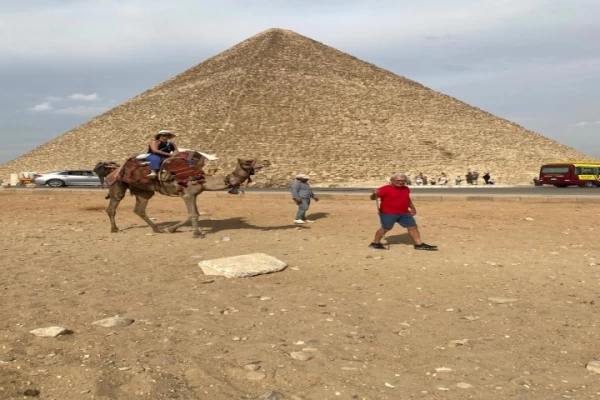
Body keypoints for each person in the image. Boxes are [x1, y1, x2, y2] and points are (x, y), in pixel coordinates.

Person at [369, 173, 437, 251]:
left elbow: (407, 199)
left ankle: (419, 244)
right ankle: (375, 243)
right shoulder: (385, 189)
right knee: (386, 228)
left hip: (404, 212)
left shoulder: (406, 189)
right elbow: (373, 198)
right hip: (388, 213)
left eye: (403, 180)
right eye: (398, 180)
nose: (400, 182)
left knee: (413, 227)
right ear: (392, 180)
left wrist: (412, 208)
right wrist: (374, 194)